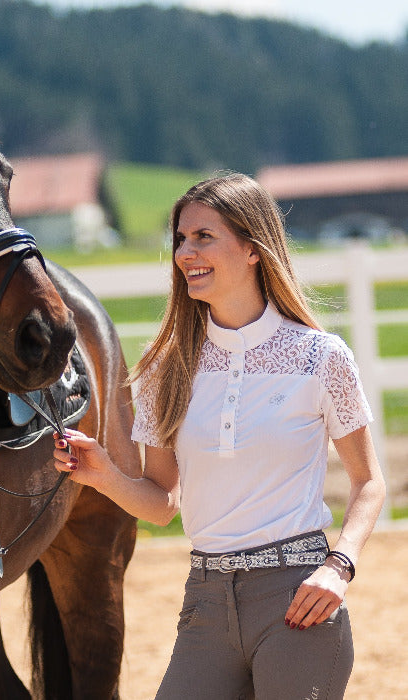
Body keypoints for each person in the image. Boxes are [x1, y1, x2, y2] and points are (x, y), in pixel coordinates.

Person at [53, 173, 386, 699]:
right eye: (181, 240)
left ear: (253, 248)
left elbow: (369, 482)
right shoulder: (167, 368)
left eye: (203, 237)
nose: (186, 252)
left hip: (297, 595)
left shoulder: (320, 358)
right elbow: (162, 502)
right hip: (206, 601)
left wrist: (338, 566)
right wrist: (102, 475)